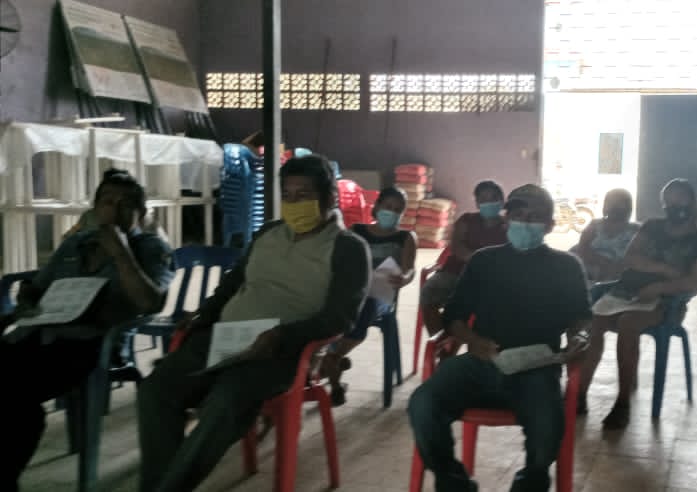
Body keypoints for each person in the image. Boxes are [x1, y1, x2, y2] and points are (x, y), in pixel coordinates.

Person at [136, 155, 370, 492]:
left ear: (329, 197)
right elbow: (232, 283)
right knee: (156, 391)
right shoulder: (268, 233)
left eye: (303, 195)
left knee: (226, 401)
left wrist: (282, 335)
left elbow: (340, 317)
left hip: (284, 351)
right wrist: (204, 313)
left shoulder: (349, 249)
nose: (293, 204)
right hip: (225, 337)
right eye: (287, 195)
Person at [407, 184, 591, 492]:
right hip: (480, 362)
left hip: (535, 369)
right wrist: (472, 340)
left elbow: (581, 316)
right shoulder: (484, 261)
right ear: (507, 220)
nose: (525, 222)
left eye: (535, 217)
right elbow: (454, 317)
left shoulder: (567, 266)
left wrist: (580, 336)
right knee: (423, 404)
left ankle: (529, 483)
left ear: (550, 225)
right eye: (518, 215)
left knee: (548, 428)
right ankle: (454, 484)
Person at [0, 170, 173, 491]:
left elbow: (151, 303)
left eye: (125, 204)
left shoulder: (150, 248)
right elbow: (36, 287)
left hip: (87, 346)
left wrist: (120, 251)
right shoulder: (75, 244)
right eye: (107, 201)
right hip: (36, 335)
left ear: (140, 212)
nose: (114, 210)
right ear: (95, 208)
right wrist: (26, 300)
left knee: (16, 400)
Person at [579, 178, 697, 429]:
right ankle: (579, 395)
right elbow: (631, 258)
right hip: (627, 292)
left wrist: (659, 287)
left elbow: (695, 281)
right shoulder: (652, 227)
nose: (675, 206)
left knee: (628, 323)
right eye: (669, 202)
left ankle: (622, 403)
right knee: (594, 321)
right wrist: (665, 269)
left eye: (680, 200)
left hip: (668, 302)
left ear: (693, 203)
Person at [319, 186, 417, 406]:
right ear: (377, 206)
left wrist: (403, 278)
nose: (391, 212)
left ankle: (333, 359)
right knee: (330, 304)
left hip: (380, 295)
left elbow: (409, 269)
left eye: (397, 210)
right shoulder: (357, 231)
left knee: (367, 305)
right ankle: (334, 367)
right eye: (388, 206)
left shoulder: (405, 237)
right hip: (352, 291)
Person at [418, 180, 508, 340]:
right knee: (430, 292)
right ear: (477, 203)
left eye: (493, 198)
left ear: (502, 201)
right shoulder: (466, 220)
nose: (488, 203)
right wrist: (480, 261)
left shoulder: (508, 227)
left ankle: (471, 340)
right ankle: (442, 344)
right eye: (483, 199)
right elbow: (457, 247)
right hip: (455, 273)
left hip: (490, 279)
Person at [573, 188, 639, 283]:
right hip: (591, 272)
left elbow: (638, 257)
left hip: (621, 275)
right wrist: (603, 263)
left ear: (628, 207)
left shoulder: (636, 229)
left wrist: (616, 268)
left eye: (620, 203)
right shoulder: (595, 225)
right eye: (611, 202)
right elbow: (582, 249)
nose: (614, 206)